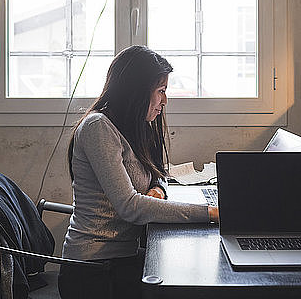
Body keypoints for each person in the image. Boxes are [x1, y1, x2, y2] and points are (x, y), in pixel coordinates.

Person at [58, 45, 218, 298]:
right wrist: (210, 213)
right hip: (94, 270)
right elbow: (131, 207)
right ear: (137, 91)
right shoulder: (98, 128)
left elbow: (159, 175)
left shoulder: (134, 125)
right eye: (161, 91)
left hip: (121, 257)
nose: (164, 101)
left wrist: (155, 190)